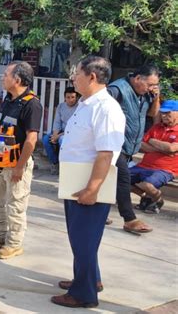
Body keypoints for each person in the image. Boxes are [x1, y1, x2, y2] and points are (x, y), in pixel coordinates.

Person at [51, 56, 125, 309]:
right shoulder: (86, 104)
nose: (73, 78)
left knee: (83, 238)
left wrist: (92, 189)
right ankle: (90, 280)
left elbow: (106, 153)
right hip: (74, 180)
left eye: (77, 73)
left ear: (92, 76)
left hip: (89, 185)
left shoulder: (106, 108)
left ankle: (83, 294)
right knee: (81, 238)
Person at [0, 61, 43, 259]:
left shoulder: (32, 104)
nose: (2, 77)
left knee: (15, 205)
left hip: (16, 165)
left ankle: (14, 244)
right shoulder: (7, 100)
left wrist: (19, 167)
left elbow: (32, 138)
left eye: (6, 74)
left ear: (17, 79)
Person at [107, 65, 160, 234]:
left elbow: (153, 114)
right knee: (123, 180)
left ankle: (99, 212)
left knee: (110, 180)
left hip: (130, 146)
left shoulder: (145, 95)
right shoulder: (117, 89)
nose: (151, 88)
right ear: (137, 78)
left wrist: (156, 97)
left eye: (154, 85)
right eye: (150, 84)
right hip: (115, 145)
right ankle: (129, 219)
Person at [131, 100, 177, 214]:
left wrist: (152, 141)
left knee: (148, 184)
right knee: (120, 179)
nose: (164, 116)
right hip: (144, 166)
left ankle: (158, 200)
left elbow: (171, 149)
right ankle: (147, 197)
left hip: (166, 170)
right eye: (162, 113)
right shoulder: (157, 127)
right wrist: (162, 148)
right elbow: (141, 144)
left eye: (168, 113)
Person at [42, 87, 79, 175]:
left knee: (62, 140)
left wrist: (58, 136)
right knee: (46, 139)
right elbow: (57, 121)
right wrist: (55, 134)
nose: (70, 100)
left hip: (72, 132)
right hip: (60, 130)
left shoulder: (79, 107)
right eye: (68, 97)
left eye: (73, 97)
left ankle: (64, 165)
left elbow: (74, 127)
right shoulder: (61, 106)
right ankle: (55, 163)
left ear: (76, 97)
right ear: (64, 98)